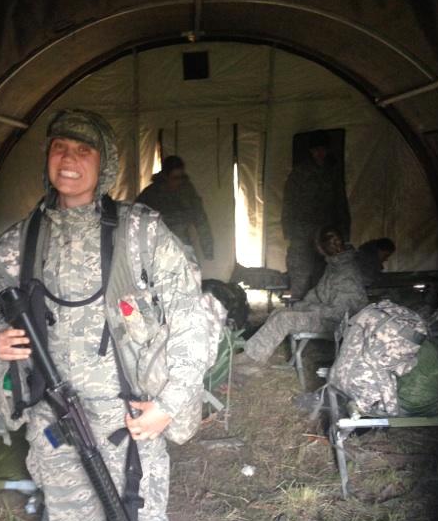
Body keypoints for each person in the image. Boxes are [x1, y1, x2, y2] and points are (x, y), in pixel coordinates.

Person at [0, 110, 210, 521]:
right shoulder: (23, 237)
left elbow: (193, 316)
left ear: (103, 164)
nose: (68, 160)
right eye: (59, 148)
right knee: (72, 516)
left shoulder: (138, 231)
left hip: (128, 412)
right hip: (51, 411)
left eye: (83, 151)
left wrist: (170, 402)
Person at [236, 228, 367, 373]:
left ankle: (252, 360)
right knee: (279, 313)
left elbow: (341, 312)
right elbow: (318, 292)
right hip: (325, 313)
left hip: (336, 322)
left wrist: (310, 308)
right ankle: (252, 353)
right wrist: (302, 305)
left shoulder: (347, 272)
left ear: (322, 248)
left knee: (284, 320)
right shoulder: (336, 265)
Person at [282, 130, 350, 299]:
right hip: (302, 230)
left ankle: (319, 302)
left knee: (324, 270)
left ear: (327, 150)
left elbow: (340, 201)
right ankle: (298, 303)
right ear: (310, 151)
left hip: (325, 229)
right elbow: (289, 201)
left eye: (323, 149)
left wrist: (343, 230)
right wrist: (288, 228)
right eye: (316, 150)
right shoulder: (300, 173)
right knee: (300, 270)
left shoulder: (332, 172)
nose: (319, 153)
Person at [136, 155, 214, 260]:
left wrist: (208, 249)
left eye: (181, 177)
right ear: (165, 176)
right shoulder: (151, 194)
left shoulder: (187, 191)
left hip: (183, 244)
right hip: (159, 247)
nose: (179, 182)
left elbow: (201, 219)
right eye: (175, 178)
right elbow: (136, 218)